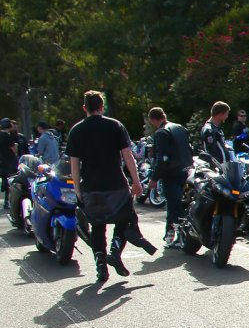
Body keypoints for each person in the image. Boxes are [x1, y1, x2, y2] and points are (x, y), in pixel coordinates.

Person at [65, 90, 155, 282]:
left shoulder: (76, 130)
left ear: (84, 108)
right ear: (102, 106)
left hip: (91, 185)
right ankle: (115, 251)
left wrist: (78, 190)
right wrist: (136, 181)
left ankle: (100, 266)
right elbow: (127, 155)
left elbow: (75, 164)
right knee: (125, 219)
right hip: (116, 183)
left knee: (98, 226)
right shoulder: (115, 126)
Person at [146, 107, 194, 247]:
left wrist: (154, 178)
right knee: (182, 205)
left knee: (174, 207)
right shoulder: (179, 128)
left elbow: (162, 158)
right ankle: (171, 235)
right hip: (186, 172)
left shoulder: (161, 132)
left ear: (153, 119)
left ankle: (179, 238)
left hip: (171, 175)